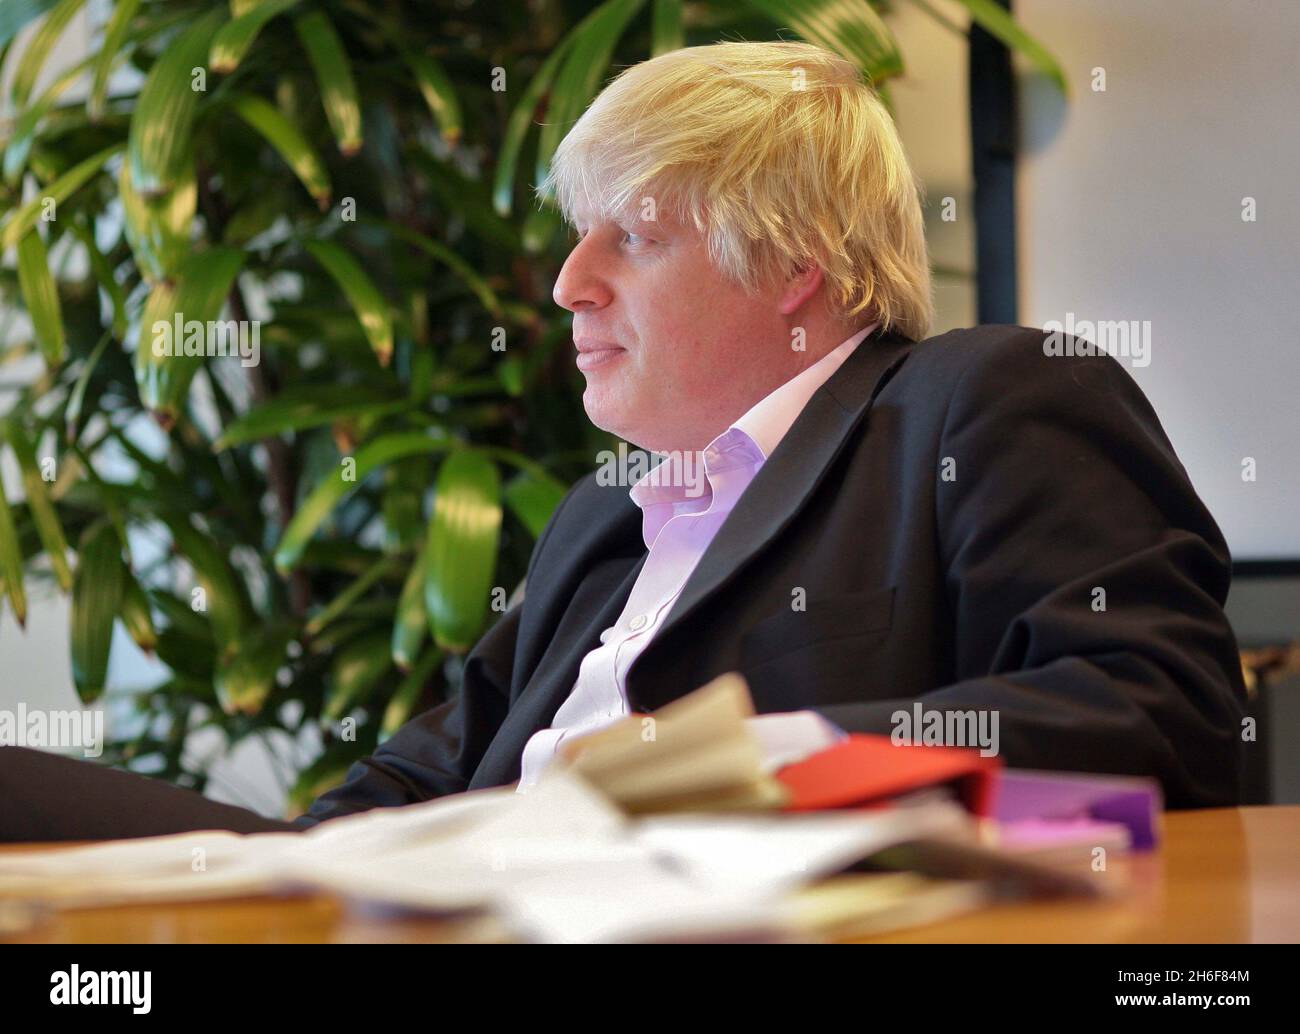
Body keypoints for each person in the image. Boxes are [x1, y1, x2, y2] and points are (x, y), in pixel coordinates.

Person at [0, 40, 1246, 842]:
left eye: (631, 237)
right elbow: (406, 786)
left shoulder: (978, 402)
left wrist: (743, 764)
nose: (565, 285)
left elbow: (1155, 714)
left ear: (797, 266)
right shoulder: (605, 514)